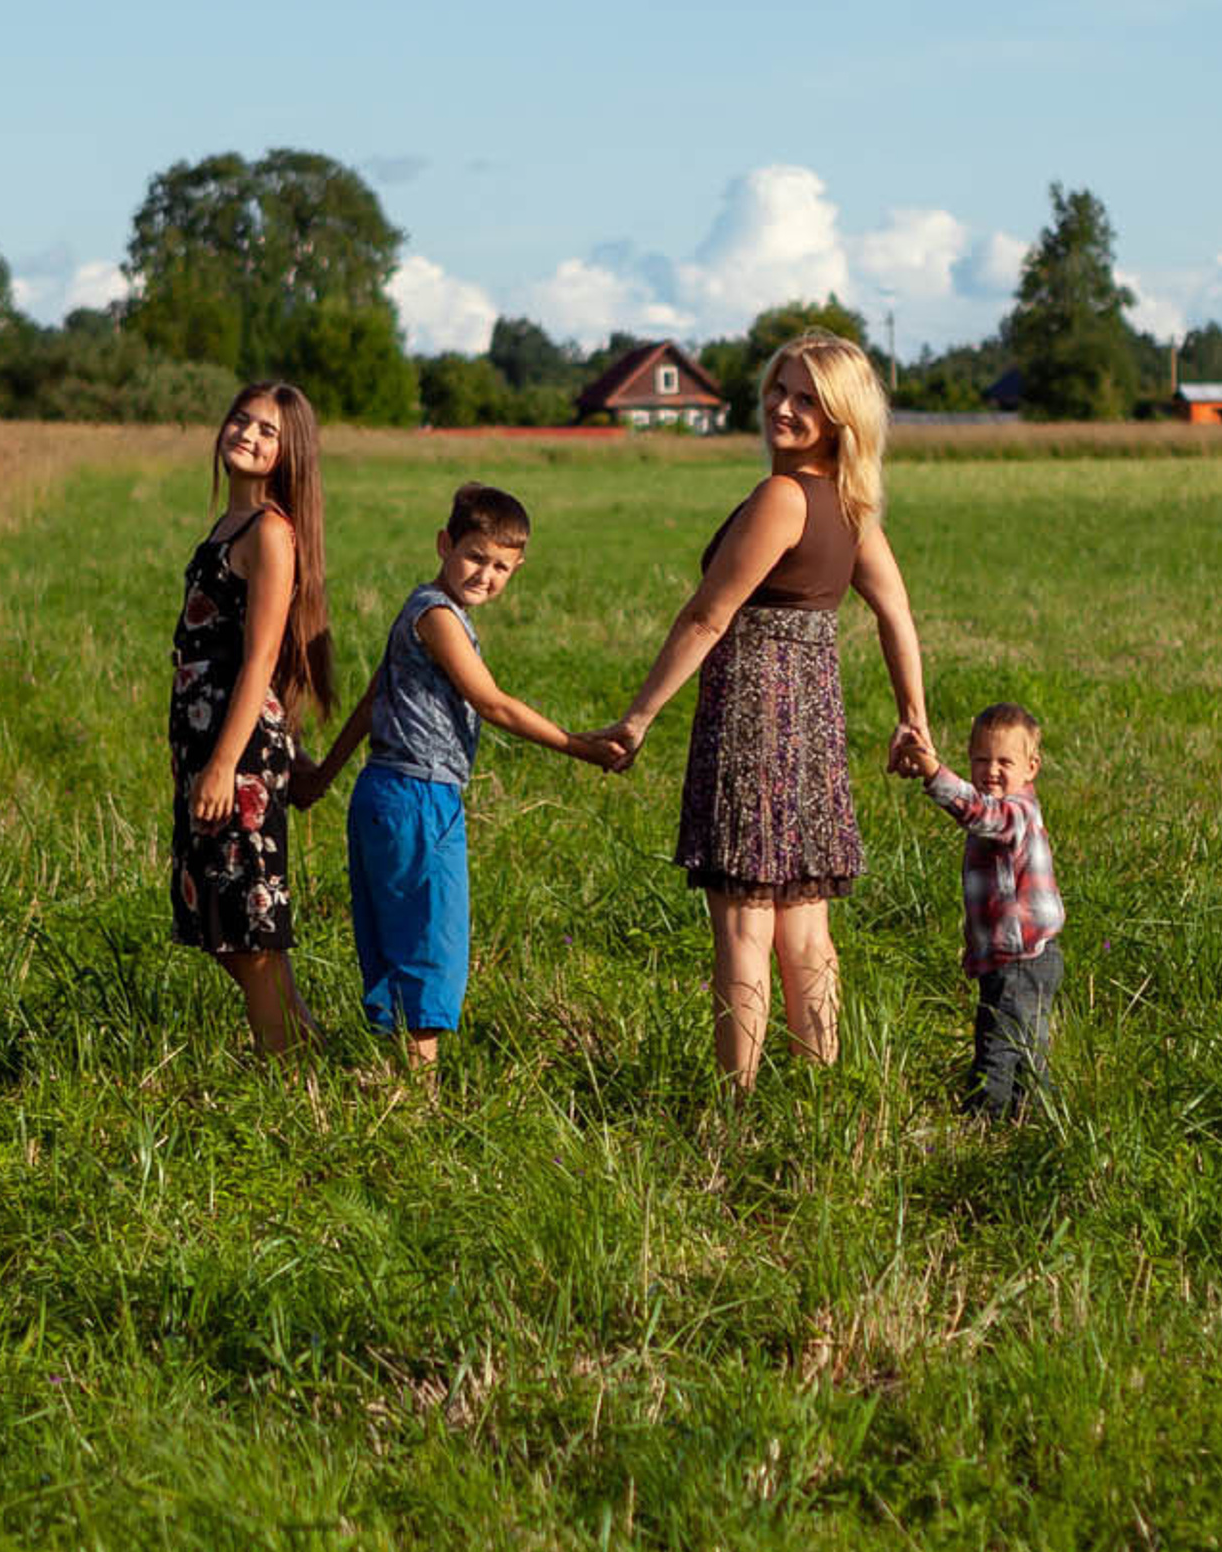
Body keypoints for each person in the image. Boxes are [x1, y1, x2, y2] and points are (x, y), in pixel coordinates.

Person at [607, 332, 929, 1091]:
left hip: (753, 719)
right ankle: (819, 1097)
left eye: (805, 398)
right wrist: (913, 715)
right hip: (814, 728)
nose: (782, 407)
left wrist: (639, 716)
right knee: (806, 926)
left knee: (746, 926)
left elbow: (706, 617)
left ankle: (735, 1106)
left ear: (839, 414)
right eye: (778, 390)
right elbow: (896, 611)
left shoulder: (782, 497)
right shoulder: (852, 509)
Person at [294, 483, 622, 1083]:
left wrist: (322, 778)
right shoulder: (437, 616)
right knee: (429, 945)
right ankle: (418, 1096)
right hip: (417, 798)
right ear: (445, 544)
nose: (486, 575)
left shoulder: (426, 612)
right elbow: (492, 703)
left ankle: (391, 1081)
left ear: (517, 569)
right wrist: (581, 747)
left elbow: (374, 700)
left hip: (386, 794)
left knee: (396, 940)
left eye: (501, 566)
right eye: (475, 556)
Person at [170, 381, 335, 1057]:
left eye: (268, 431)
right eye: (242, 420)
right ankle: (307, 1053)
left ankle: (290, 1073)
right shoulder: (226, 527)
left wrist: (221, 767)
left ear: (287, 452)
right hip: (209, 745)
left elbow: (261, 660)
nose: (248, 435)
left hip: (234, 758)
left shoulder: (271, 533)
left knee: (245, 930)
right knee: (219, 920)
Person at [895, 702, 1067, 1118]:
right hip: (1011, 957)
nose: (991, 770)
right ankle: (1031, 1115)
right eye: (980, 760)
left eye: (1004, 761)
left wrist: (935, 774)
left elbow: (980, 813)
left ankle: (983, 1119)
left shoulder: (1016, 812)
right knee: (1023, 1042)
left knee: (998, 1044)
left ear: (1031, 768)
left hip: (1022, 958)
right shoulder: (1004, 806)